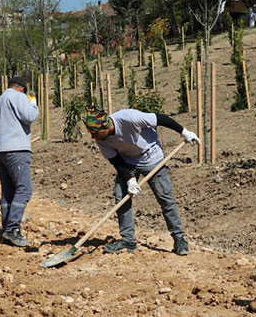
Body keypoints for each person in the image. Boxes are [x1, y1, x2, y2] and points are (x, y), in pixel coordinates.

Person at [83, 107, 198, 256]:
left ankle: (179, 239)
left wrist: (184, 132)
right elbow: (115, 160)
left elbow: (161, 118)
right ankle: (128, 240)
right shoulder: (101, 138)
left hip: (151, 157)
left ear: (106, 126)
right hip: (127, 161)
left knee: (164, 197)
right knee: (121, 197)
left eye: (94, 133)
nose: (93, 137)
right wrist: (130, 180)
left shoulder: (129, 118)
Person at [0, 75, 38, 247]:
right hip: (17, 149)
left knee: (8, 191)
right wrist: (33, 102)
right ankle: (13, 229)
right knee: (24, 189)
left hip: (0, 150)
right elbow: (30, 116)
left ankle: (6, 229)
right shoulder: (19, 97)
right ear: (22, 88)